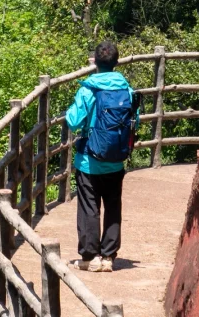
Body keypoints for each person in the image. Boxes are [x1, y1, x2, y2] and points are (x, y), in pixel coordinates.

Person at [65, 39, 139, 272]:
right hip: (116, 160)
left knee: (90, 207)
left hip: (89, 160)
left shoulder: (89, 89)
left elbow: (73, 121)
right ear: (117, 62)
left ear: (95, 61)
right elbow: (133, 119)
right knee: (113, 206)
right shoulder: (127, 89)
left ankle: (90, 258)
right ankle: (108, 257)